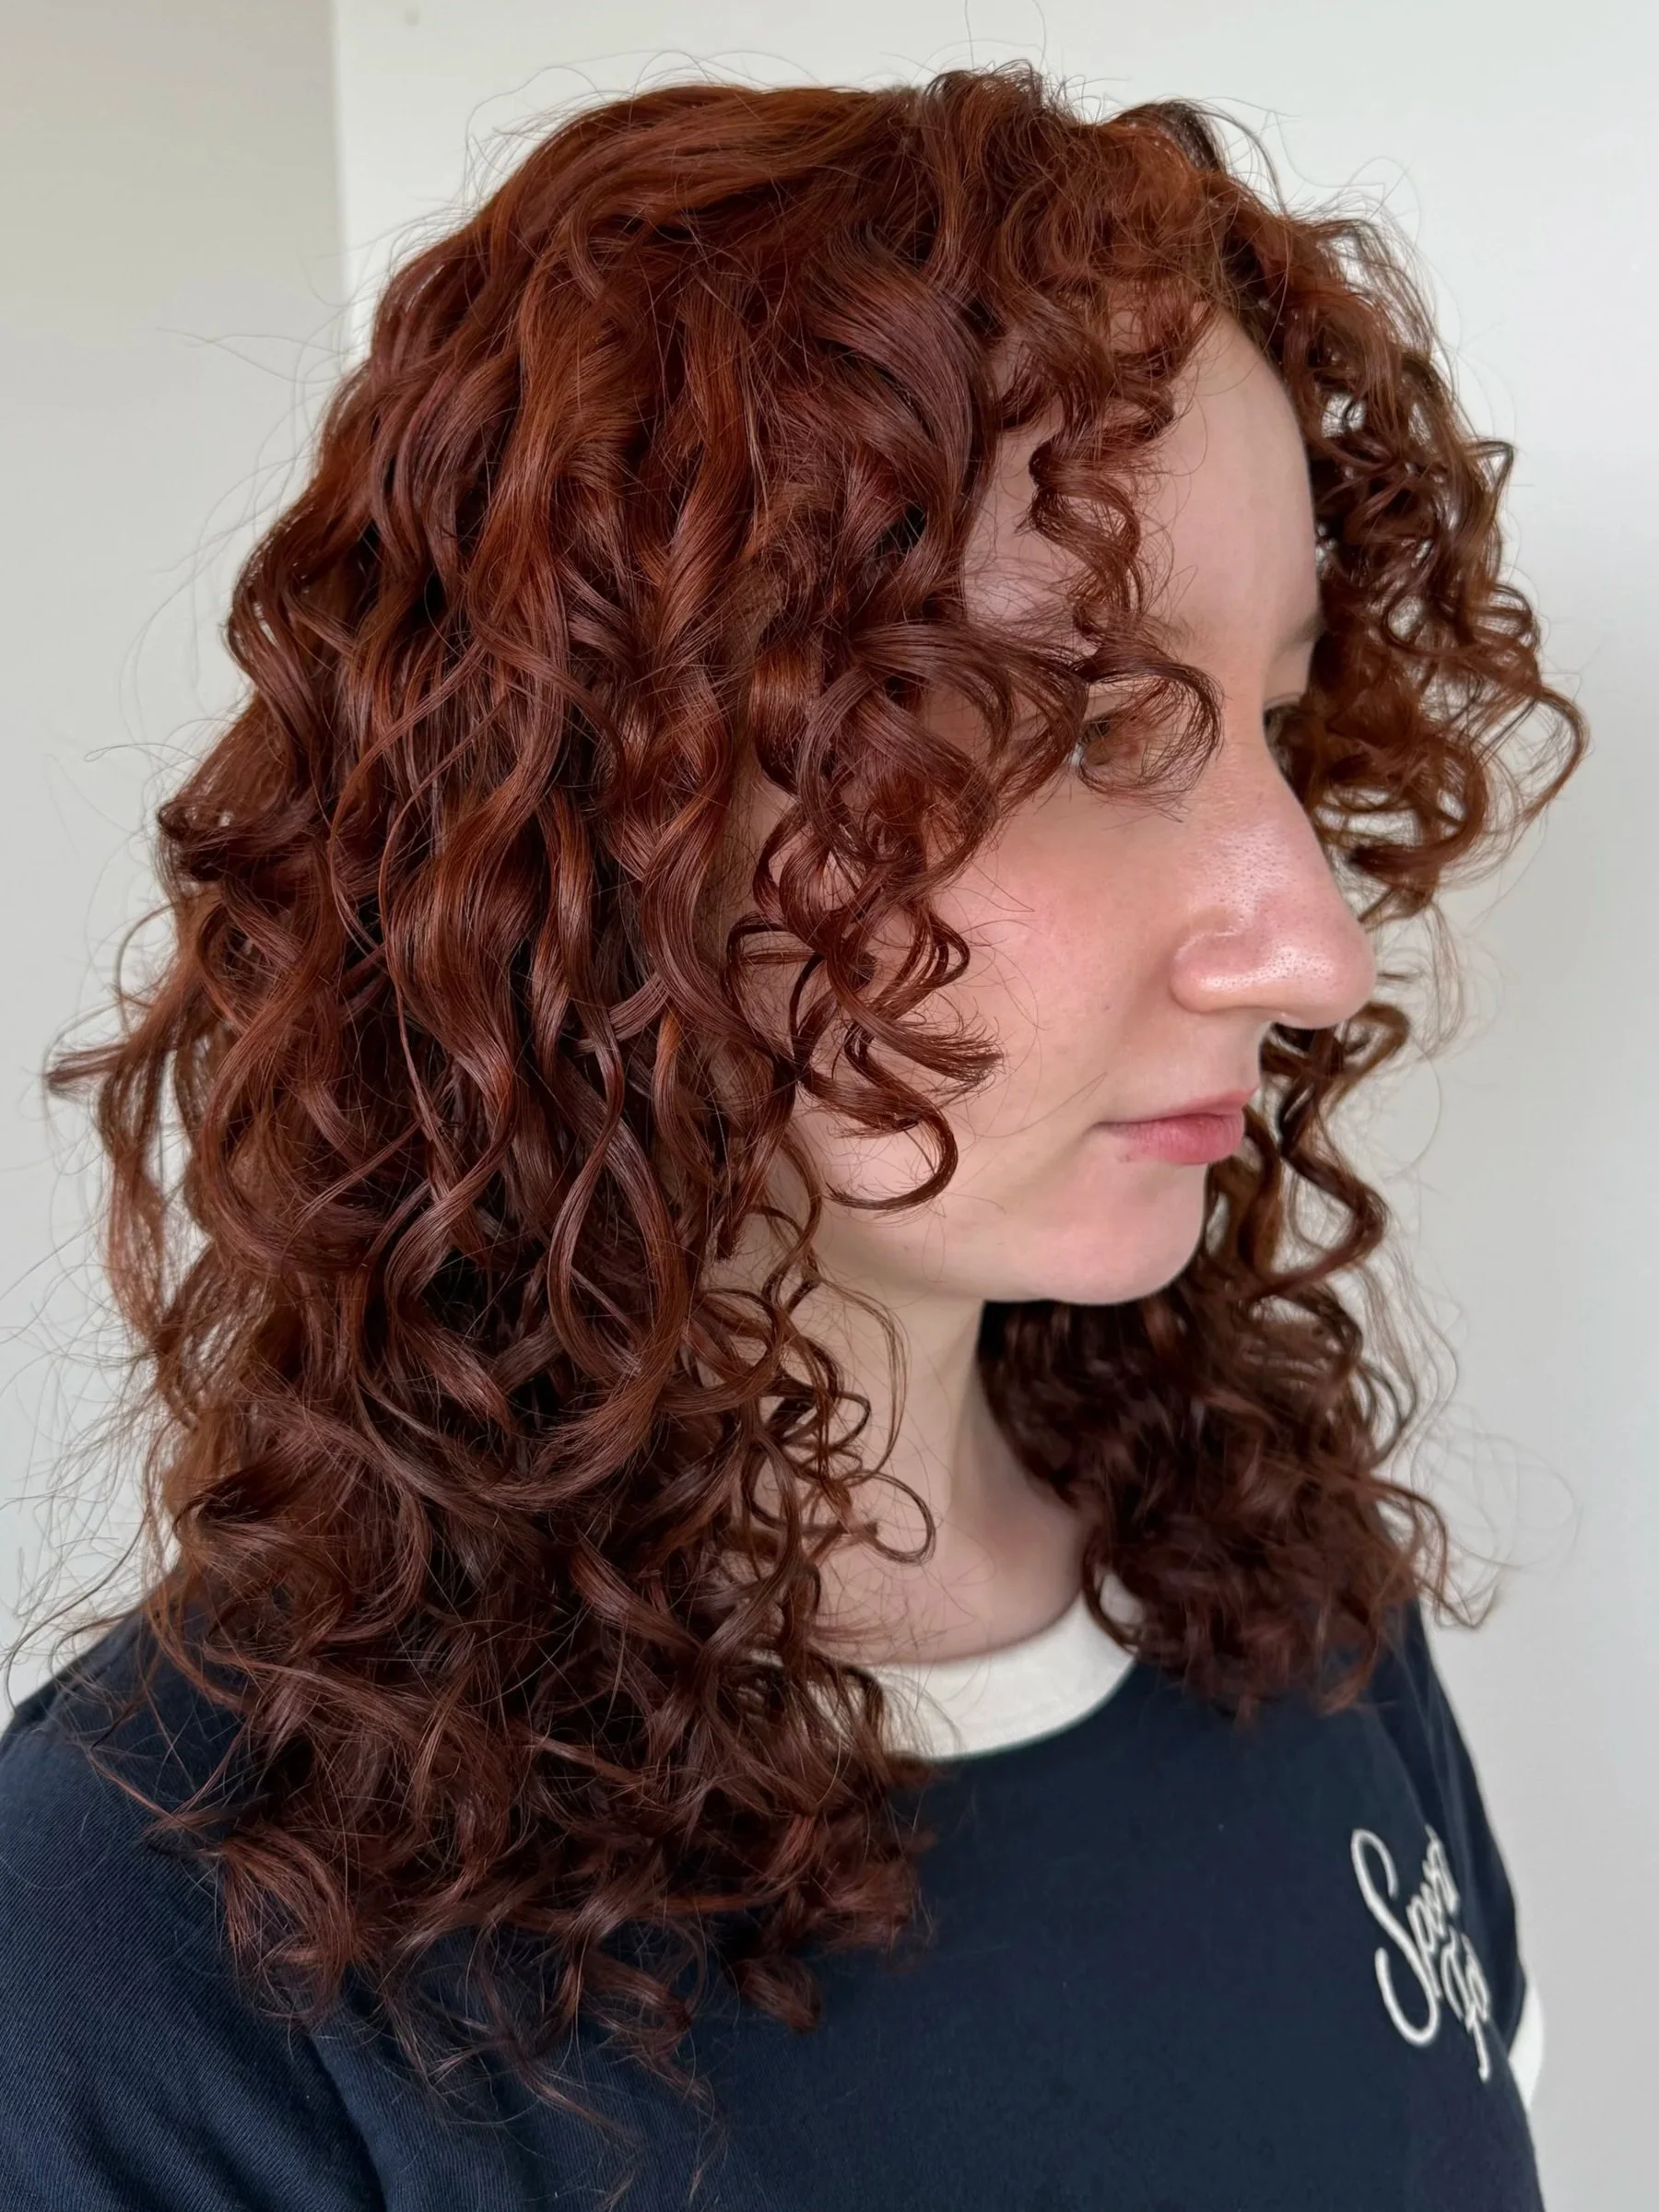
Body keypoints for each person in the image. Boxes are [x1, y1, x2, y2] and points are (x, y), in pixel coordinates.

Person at [0, 63, 1584, 2212]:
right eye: (1093, 726)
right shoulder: (157, 1957)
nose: (1311, 945)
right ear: (601, 815)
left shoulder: (1291, 1606)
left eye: (1281, 720)